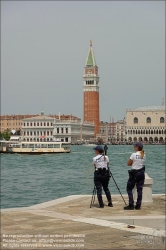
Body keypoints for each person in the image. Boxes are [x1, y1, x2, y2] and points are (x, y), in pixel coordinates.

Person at [124, 142, 145, 210]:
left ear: (137, 147)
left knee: (129, 188)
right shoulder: (143, 155)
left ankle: (131, 204)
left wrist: (133, 163)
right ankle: (138, 205)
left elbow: (128, 164)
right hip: (141, 173)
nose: (134, 147)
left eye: (135, 146)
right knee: (140, 189)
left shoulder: (133, 154)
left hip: (134, 173)